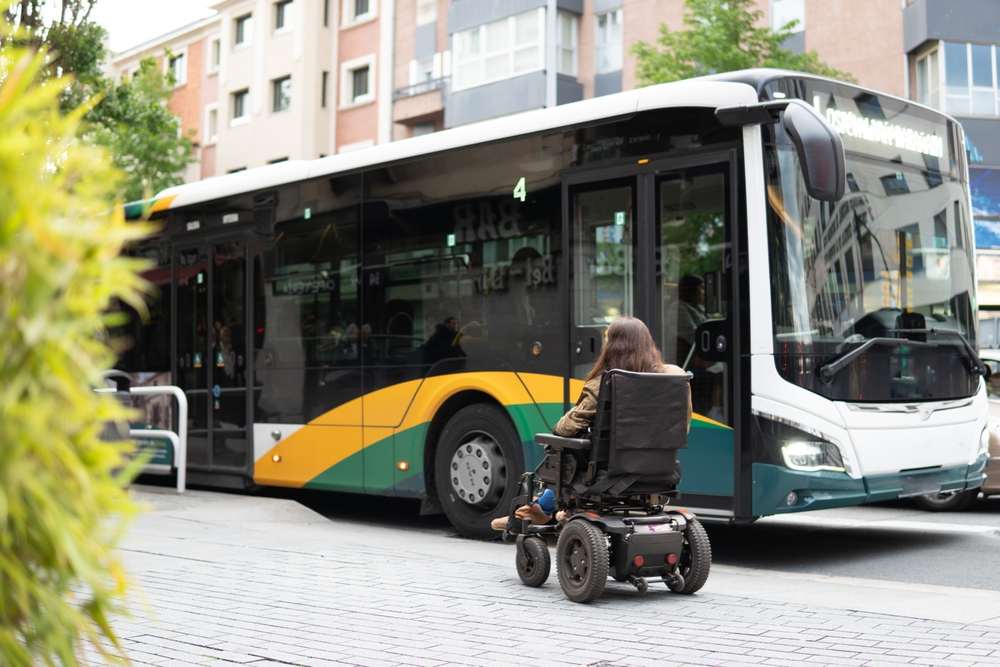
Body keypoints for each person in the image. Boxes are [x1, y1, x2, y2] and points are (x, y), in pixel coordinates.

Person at [491, 316, 691, 531]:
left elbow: (565, 428)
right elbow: (682, 425)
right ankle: (559, 510)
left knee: (565, 453)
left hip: (613, 471)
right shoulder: (674, 378)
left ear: (613, 346)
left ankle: (538, 511)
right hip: (661, 467)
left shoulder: (605, 381)